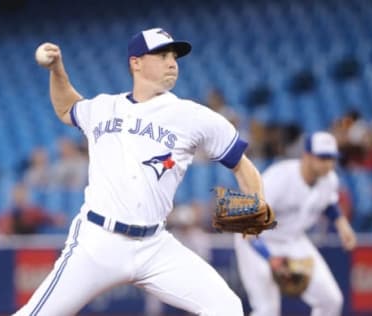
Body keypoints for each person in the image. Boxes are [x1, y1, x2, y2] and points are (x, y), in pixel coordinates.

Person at [15, 27, 268, 315]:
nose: (172, 62)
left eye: (174, 56)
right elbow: (66, 108)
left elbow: (242, 165)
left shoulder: (193, 116)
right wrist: (57, 70)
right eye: (161, 55)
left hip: (155, 245)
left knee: (227, 308)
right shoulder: (103, 107)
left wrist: (254, 218)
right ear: (135, 62)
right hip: (98, 241)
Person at [234, 131, 357, 316]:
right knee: (267, 310)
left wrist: (342, 225)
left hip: (293, 240)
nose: (328, 164)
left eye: (332, 158)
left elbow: (329, 203)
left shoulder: (329, 180)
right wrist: (270, 258)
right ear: (306, 156)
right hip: (256, 240)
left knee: (331, 300)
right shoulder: (280, 178)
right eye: (323, 157)